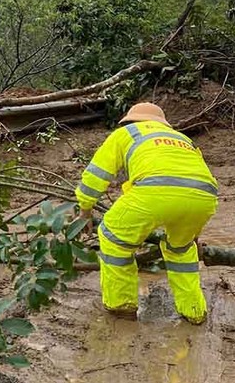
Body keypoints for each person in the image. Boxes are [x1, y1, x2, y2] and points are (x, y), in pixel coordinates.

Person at [75, 102, 218, 324]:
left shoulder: (125, 133)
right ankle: (194, 312)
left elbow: (96, 175)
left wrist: (85, 210)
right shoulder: (183, 140)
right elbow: (192, 181)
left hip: (153, 192)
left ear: (131, 121)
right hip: (205, 198)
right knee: (181, 251)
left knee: (113, 237)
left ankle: (121, 306)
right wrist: (193, 236)